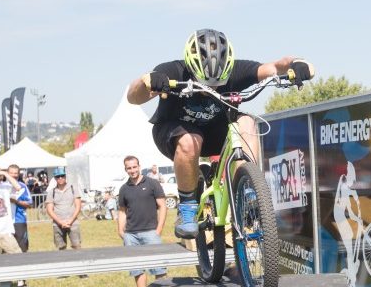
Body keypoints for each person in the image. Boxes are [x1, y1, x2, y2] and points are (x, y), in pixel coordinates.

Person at [126, 29, 306, 239]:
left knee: (247, 120)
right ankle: (187, 209)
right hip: (174, 134)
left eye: (216, 84)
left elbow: (275, 66)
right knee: (191, 140)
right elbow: (134, 97)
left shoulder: (237, 70)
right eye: (204, 83)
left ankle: (245, 193)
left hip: (216, 133)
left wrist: (298, 64)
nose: (209, 89)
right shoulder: (173, 71)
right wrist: (146, 81)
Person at [117, 155, 168, 287]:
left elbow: (162, 206)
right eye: (129, 168)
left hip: (151, 232)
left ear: (139, 167)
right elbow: (122, 211)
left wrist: (159, 229)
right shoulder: (124, 189)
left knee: (159, 268)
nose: (132, 170)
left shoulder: (152, 183)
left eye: (134, 167)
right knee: (137, 270)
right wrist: (121, 231)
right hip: (131, 235)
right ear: (125, 169)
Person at [6, 164, 33, 287]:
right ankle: (5, 281)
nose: (14, 175)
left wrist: (16, 202)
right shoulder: (1, 187)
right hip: (4, 223)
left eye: (16, 173)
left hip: (19, 222)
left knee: (22, 250)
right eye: (11, 173)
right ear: (7, 173)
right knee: (4, 251)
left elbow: (29, 204)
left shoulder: (22, 186)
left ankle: (21, 282)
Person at [46, 167, 82, 250]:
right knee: (61, 248)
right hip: (57, 224)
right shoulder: (52, 192)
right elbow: (49, 210)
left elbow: (78, 206)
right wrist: (60, 222)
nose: (60, 178)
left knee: (77, 246)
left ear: (65, 176)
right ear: (55, 178)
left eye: (62, 176)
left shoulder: (73, 189)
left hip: (73, 223)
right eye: (58, 177)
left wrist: (71, 220)